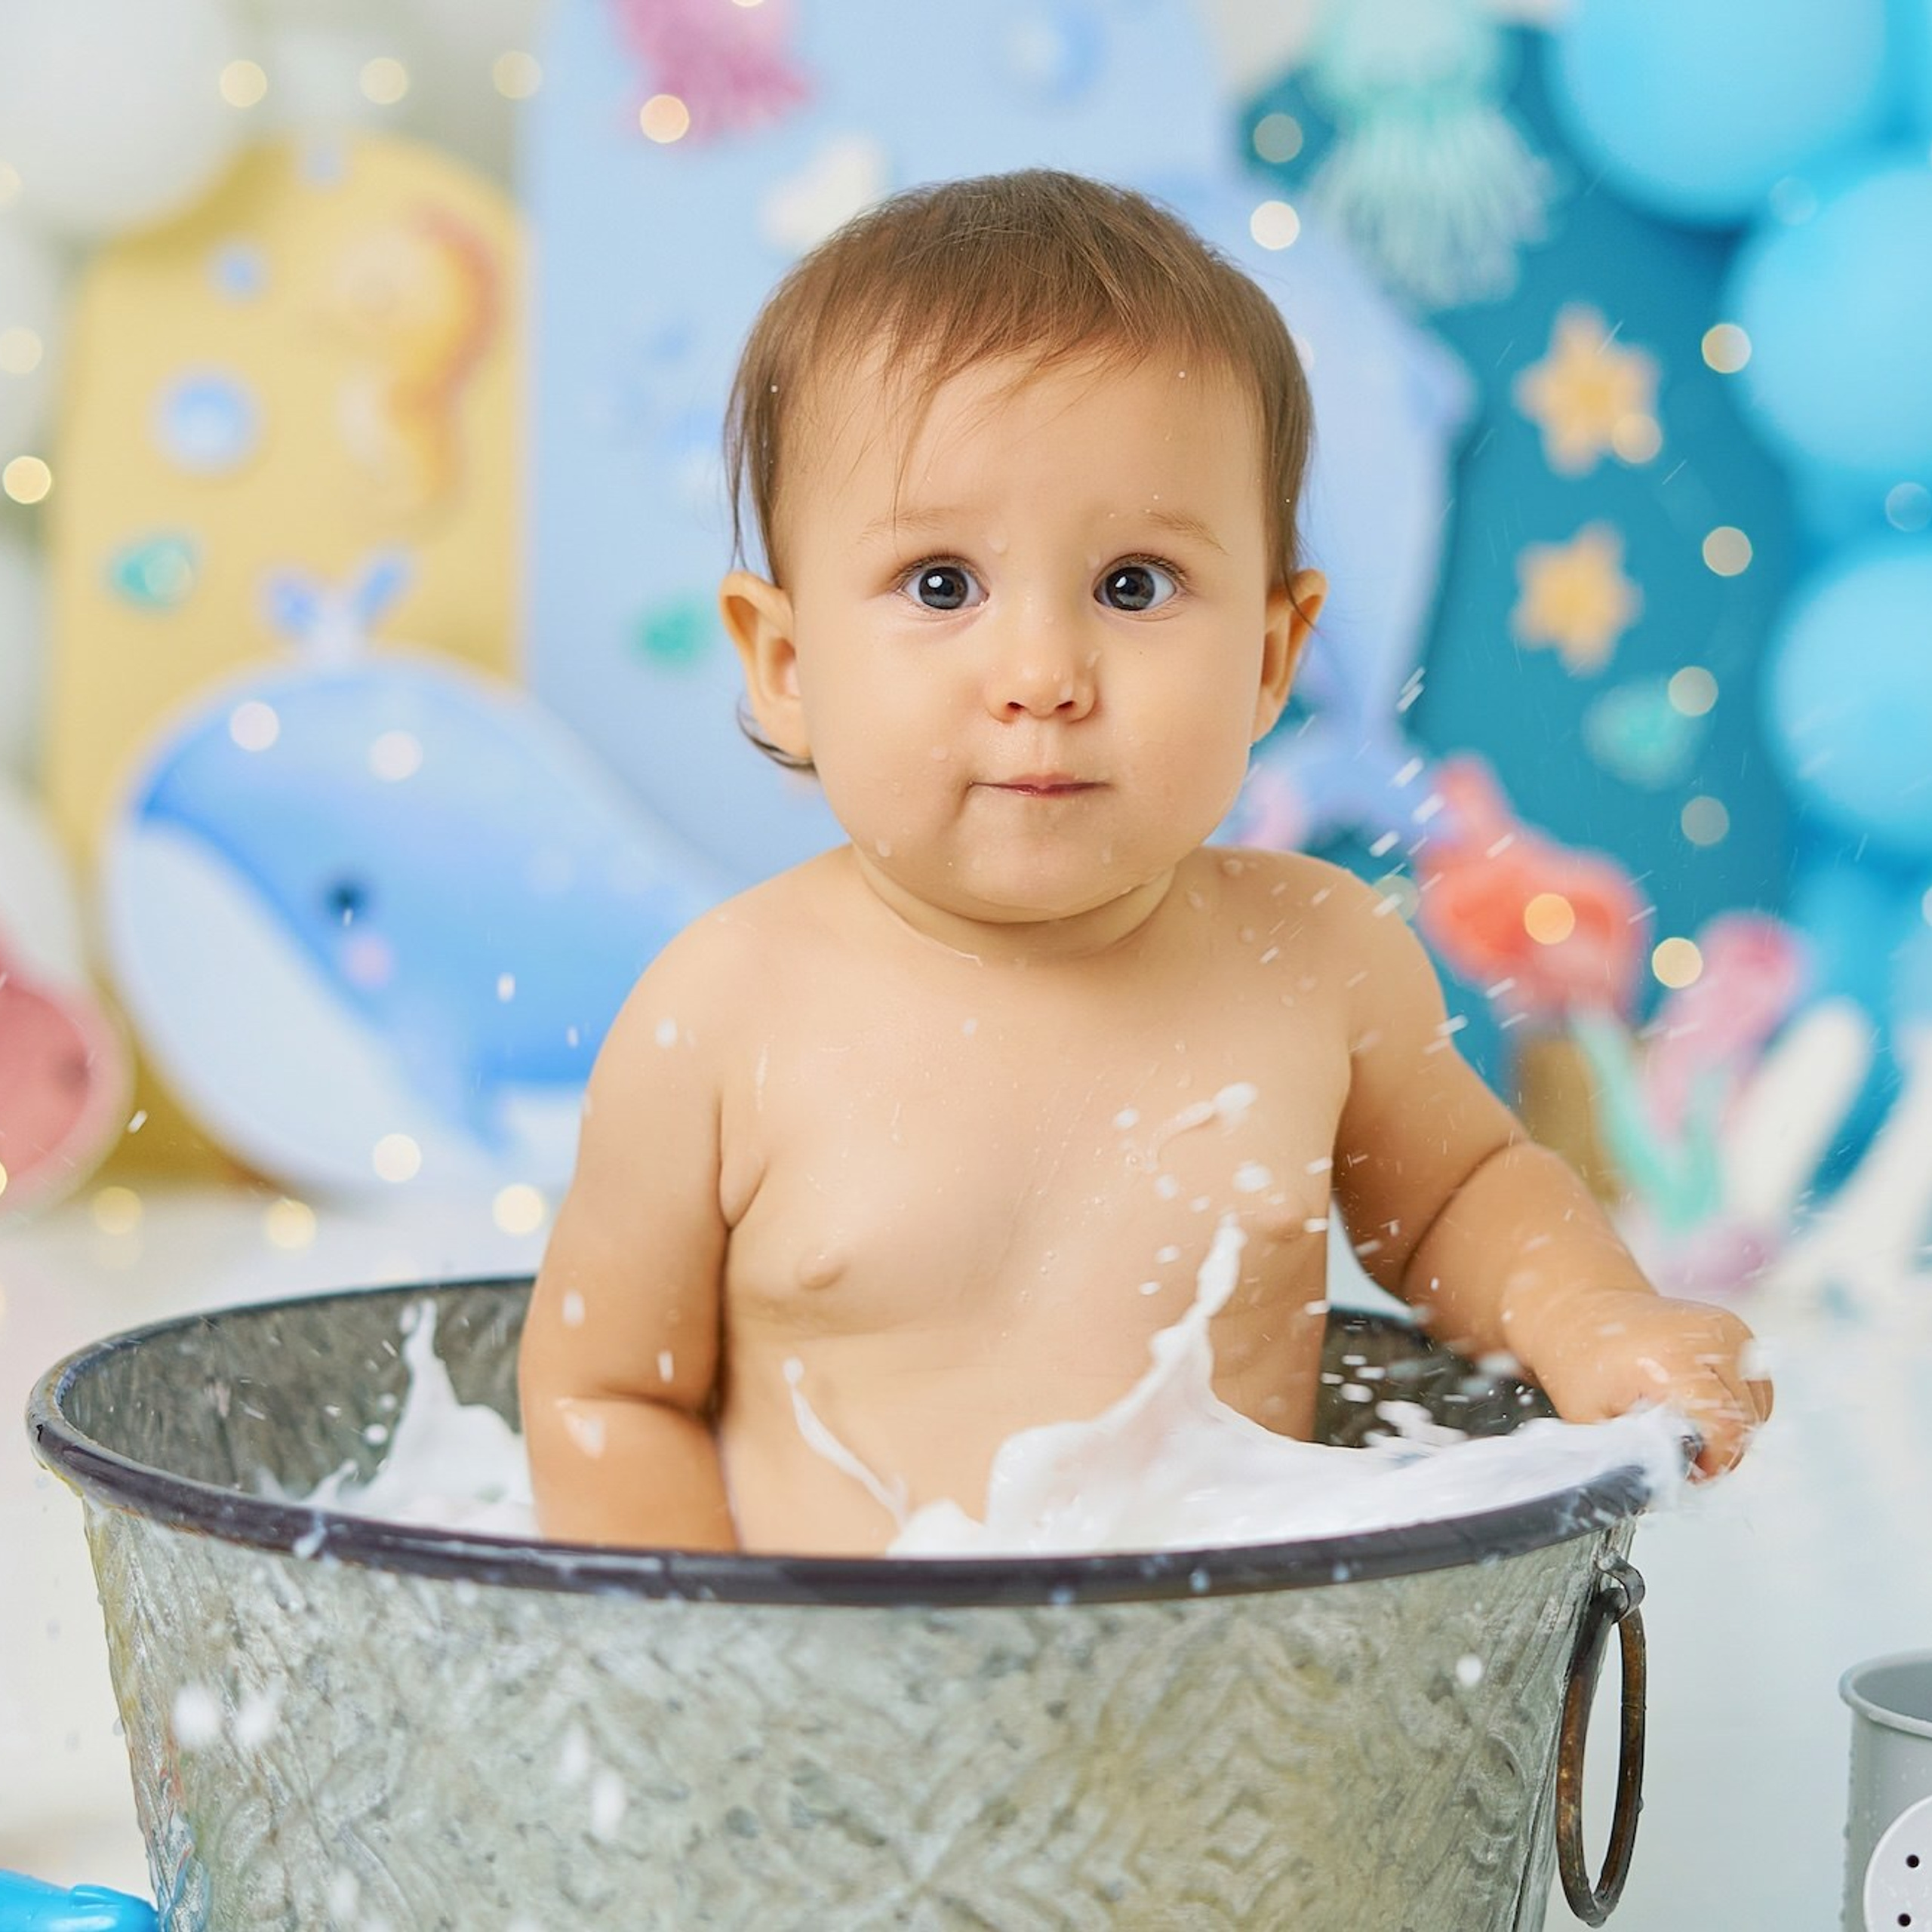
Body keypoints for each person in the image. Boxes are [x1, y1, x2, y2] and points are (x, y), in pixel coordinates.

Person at [517, 169, 1770, 1555]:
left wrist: (1595, 1319)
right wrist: (703, 1676)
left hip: (1220, 1728)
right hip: (841, 1729)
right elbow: (604, 1393)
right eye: (942, 584)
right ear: (789, 664)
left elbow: (1466, 1198)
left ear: (1272, 659)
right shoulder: (723, 1013)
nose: (1045, 674)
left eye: (1134, 585)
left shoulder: (1317, 955)